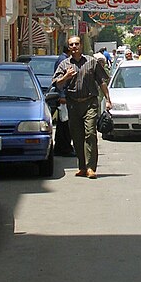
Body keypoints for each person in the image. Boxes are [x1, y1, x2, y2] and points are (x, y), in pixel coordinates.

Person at [52, 35, 112, 179]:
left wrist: (108, 100)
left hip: (90, 103)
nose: (74, 47)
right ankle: (82, 167)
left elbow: (102, 81)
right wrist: (66, 77)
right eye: (71, 45)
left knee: (90, 133)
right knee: (77, 136)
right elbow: (57, 84)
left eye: (77, 44)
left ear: (81, 46)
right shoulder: (64, 64)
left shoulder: (91, 62)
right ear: (68, 47)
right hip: (73, 104)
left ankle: (91, 167)